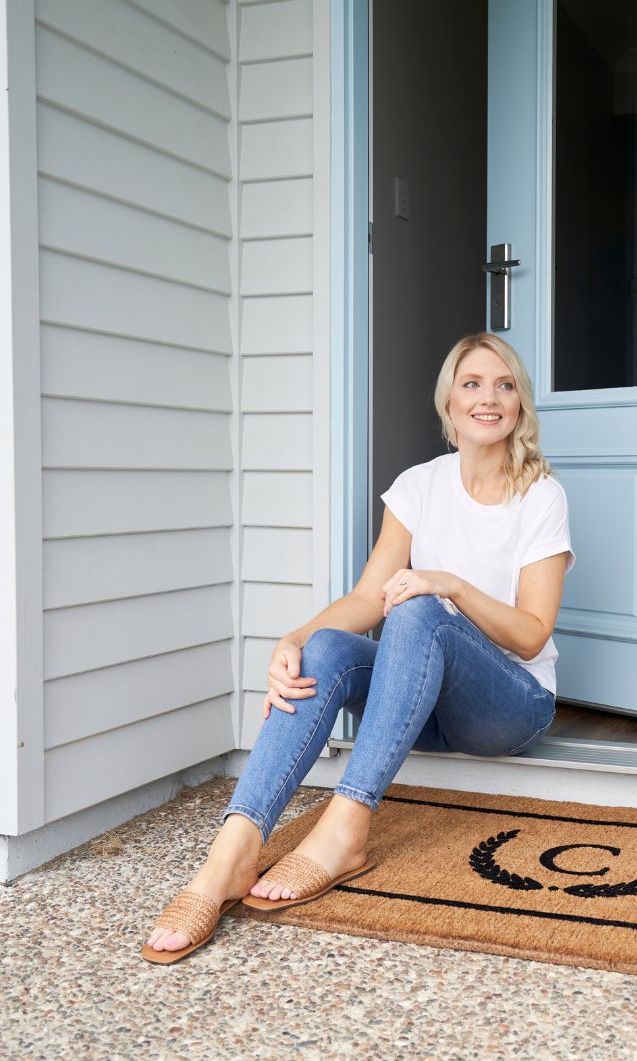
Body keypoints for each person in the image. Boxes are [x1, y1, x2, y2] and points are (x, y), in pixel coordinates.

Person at [142, 333, 574, 963]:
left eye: (504, 385)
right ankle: (232, 852)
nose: (488, 398)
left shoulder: (541, 496)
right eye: (472, 384)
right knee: (327, 650)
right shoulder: (419, 487)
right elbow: (370, 598)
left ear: (519, 405)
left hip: (508, 706)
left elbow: (532, 632)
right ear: (448, 404)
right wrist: (293, 637)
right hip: (421, 708)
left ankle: (345, 828)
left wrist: (449, 585)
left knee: (422, 607)